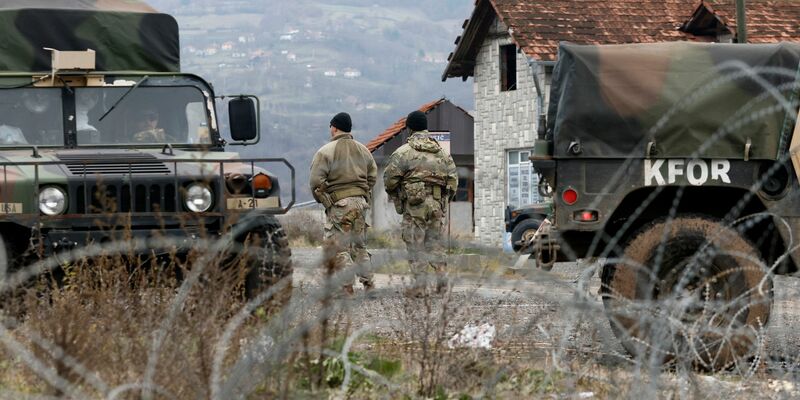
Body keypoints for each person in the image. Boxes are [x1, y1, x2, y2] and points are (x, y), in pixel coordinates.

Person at [383, 111, 457, 296]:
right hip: (437, 205)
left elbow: (389, 180)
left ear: (409, 129)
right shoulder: (442, 153)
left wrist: (400, 193)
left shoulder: (403, 152)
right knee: (435, 244)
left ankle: (420, 287)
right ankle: (442, 282)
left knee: (415, 244)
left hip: (415, 206)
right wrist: (442, 200)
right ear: (426, 128)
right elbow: (453, 181)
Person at [309, 112, 377, 294]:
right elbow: (372, 177)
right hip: (361, 203)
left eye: (331, 126)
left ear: (335, 127)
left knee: (339, 247)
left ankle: (347, 287)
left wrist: (325, 200)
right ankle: (369, 284)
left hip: (340, 204)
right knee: (359, 245)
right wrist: (362, 194)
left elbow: (316, 181)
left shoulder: (325, 151)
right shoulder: (364, 150)